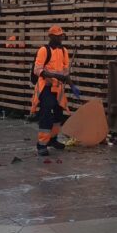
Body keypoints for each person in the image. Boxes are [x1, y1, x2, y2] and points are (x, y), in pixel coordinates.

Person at [30, 25, 70, 157]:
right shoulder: (44, 50)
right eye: (58, 36)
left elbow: (65, 69)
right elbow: (37, 70)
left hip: (58, 88)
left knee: (58, 115)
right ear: (51, 37)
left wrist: (66, 77)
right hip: (45, 87)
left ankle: (53, 139)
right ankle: (42, 144)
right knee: (46, 114)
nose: (60, 38)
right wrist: (53, 76)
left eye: (61, 36)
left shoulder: (64, 51)